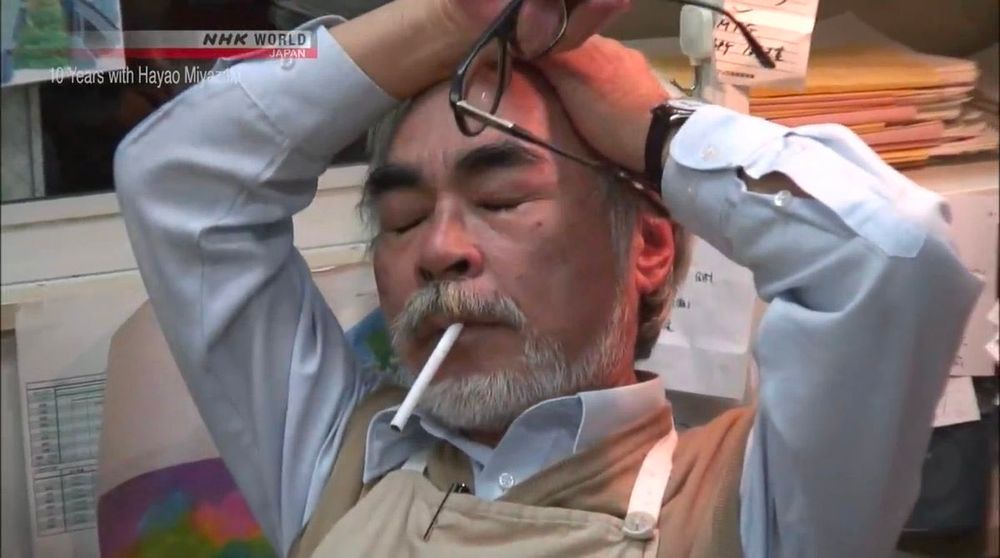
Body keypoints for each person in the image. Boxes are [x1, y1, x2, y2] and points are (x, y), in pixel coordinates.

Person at [112, 0, 982, 556]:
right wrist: (453, 15)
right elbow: (180, 179)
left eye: (500, 196)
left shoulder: (759, 505)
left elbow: (895, 262)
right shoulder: (334, 455)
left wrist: (653, 124)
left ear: (649, 249)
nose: (439, 248)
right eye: (404, 218)